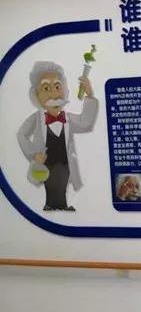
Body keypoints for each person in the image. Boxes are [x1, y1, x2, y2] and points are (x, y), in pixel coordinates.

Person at [17, 61, 99, 211]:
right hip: (46, 161)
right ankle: (49, 204)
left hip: (65, 160)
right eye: (46, 88)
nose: (54, 94)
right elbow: (21, 134)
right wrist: (33, 154)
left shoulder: (67, 118)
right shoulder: (36, 118)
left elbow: (85, 122)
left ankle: (62, 204)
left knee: (63, 178)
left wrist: (90, 95)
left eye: (57, 86)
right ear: (36, 94)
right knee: (49, 179)